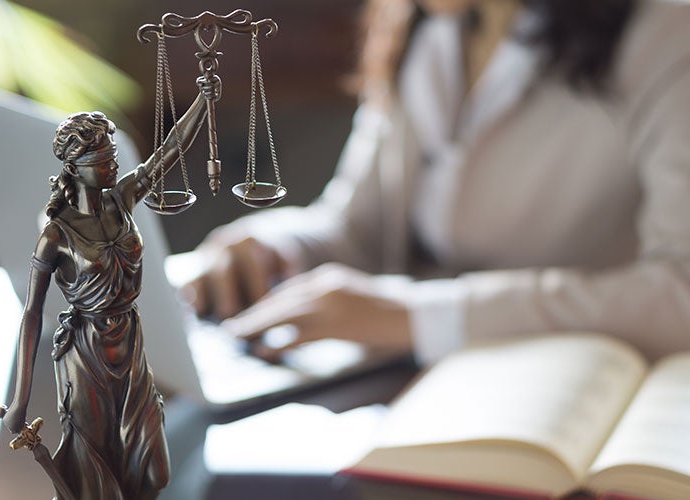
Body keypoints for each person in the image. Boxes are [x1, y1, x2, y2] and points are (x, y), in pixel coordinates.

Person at [182, 0, 690, 365]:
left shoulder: (667, 29)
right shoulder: (427, 25)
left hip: (575, 393)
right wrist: (275, 245)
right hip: (418, 388)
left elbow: (680, 292)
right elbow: (359, 227)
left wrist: (419, 317)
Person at [0, 80, 219, 500]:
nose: (113, 166)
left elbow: (170, 150)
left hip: (130, 342)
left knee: (150, 470)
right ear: (76, 166)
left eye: (113, 157)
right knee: (93, 474)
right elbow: (31, 313)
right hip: (87, 353)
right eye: (104, 160)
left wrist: (204, 101)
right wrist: (19, 401)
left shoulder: (123, 199)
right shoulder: (56, 235)